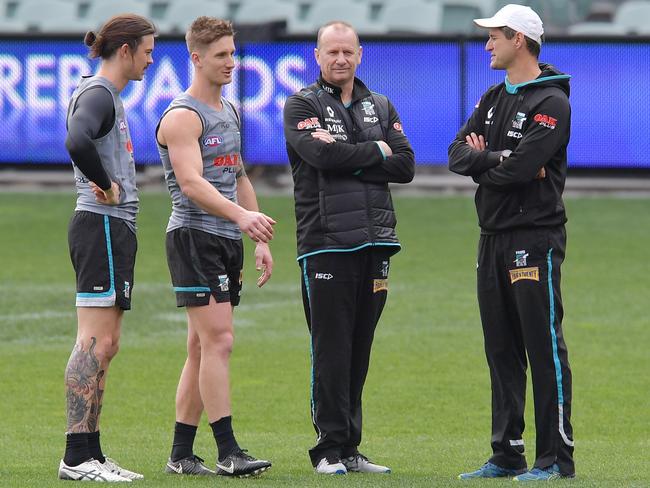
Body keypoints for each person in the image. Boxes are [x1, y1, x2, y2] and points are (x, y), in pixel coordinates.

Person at [448, 4, 575, 482]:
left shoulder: (552, 102)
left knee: (543, 348)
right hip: (492, 237)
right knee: (500, 350)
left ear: (518, 39)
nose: (487, 45)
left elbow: (525, 170)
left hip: (534, 238)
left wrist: (493, 163)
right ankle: (507, 453)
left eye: (494, 37)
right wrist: (499, 160)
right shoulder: (491, 97)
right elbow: (458, 153)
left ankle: (556, 459)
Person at [283, 21, 415, 475]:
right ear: (317, 57)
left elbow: (406, 165)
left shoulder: (378, 104)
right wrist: (375, 152)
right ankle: (327, 448)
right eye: (332, 52)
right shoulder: (301, 103)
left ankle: (351, 448)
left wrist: (357, 152)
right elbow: (320, 158)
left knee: (360, 347)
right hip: (325, 243)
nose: (340, 59)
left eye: (348, 52)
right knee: (331, 347)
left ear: (360, 55)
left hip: (376, 241)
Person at [156, 16, 275, 478]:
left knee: (201, 347)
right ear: (196, 57)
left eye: (232, 53)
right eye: (221, 55)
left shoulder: (229, 110)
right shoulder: (183, 116)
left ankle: (181, 455)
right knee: (219, 341)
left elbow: (238, 175)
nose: (230, 62)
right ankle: (228, 451)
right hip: (193, 237)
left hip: (225, 237)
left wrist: (256, 236)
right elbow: (190, 182)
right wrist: (242, 217)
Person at [59, 14, 155, 482]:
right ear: (125, 50)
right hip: (100, 225)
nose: (151, 59)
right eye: (147, 51)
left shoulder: (107, 96)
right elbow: (76, 139)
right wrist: (105, 183)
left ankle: (92, 453)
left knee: (108, 344)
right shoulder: (98, 93)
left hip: (113, 229)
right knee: (92, 343)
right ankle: (75, 456)